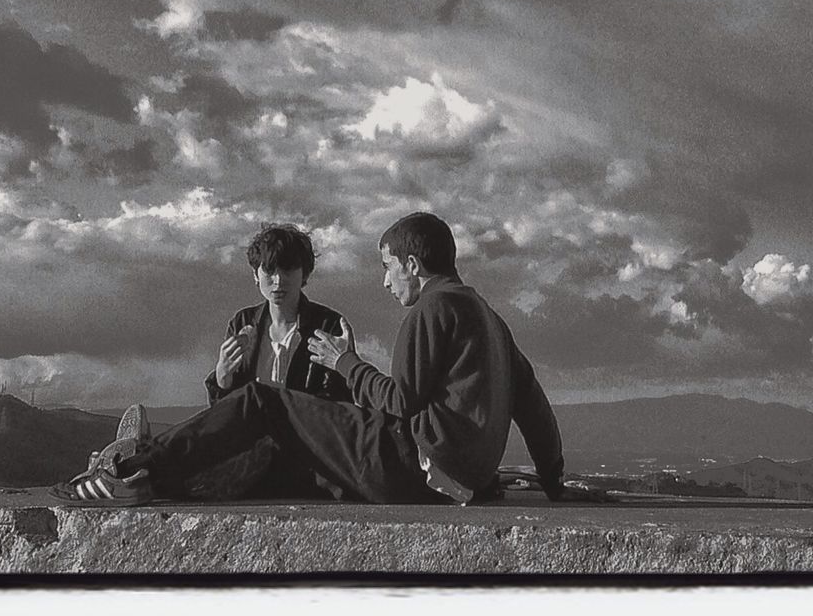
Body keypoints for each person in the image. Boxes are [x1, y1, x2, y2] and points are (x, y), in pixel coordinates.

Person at [49, 211, 565, 506]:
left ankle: (132, 471)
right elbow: (535, 407)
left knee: (264, 402)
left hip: (416, 466)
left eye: (388, 267)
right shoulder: (488, 316)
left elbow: (402, 404)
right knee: (264, 422)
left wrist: (347, 364)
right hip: (454, 480)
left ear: (413, 263)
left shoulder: (432, 309)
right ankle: (143, 466)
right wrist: (555, 482)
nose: (386, 281)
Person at [206, 223, 352, 407]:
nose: (278, 281)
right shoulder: (242, 322)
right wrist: (222, 379)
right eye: (269, 270)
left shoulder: (327, 325)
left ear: (305, 274)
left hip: (304, 434)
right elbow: (224, 412)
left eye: (288, 270)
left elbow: (339, 403)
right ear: (256, 274)